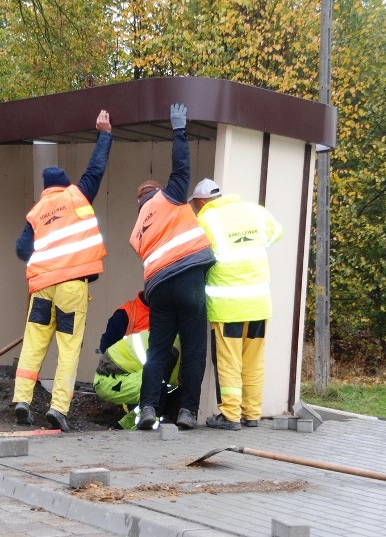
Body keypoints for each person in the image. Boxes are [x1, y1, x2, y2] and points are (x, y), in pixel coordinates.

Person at [12, 109, 113, 433]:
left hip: (42, 289)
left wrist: (47, 255)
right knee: (68, 347)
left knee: (34, 343)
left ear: (45, 189)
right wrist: (105, 134)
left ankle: (22, 400)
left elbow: (21, 250)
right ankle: (58, 408)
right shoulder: (77, 195)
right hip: (71, 287)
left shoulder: (36, 212)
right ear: (64, 184)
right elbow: (96, 168)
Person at [129, 103, 216, 431]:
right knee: (194, 347)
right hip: (188, 279)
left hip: (159, 291)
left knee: (158, 350)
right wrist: (179, 128)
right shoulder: (170, 198)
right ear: (157, 192)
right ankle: (186, 412)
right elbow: (182, 166)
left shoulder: (137, 228)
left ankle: (148, 408)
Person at [189, 178, 283, 430]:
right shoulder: (254, 211)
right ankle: (251, 413)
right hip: (259, 304)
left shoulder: (205, 221)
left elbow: (195, 256)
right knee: (254, 361)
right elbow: (276, 233)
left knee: (229, 361)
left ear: (200, 202)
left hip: (228, 305)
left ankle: (230, 415)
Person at [93, 291, 181, 430]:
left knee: (164, 388)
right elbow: (106, 346)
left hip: (143, 373)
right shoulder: (127, 313)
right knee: (157, 387)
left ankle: (126, 425)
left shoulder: (167, 316)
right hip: (124, 374)